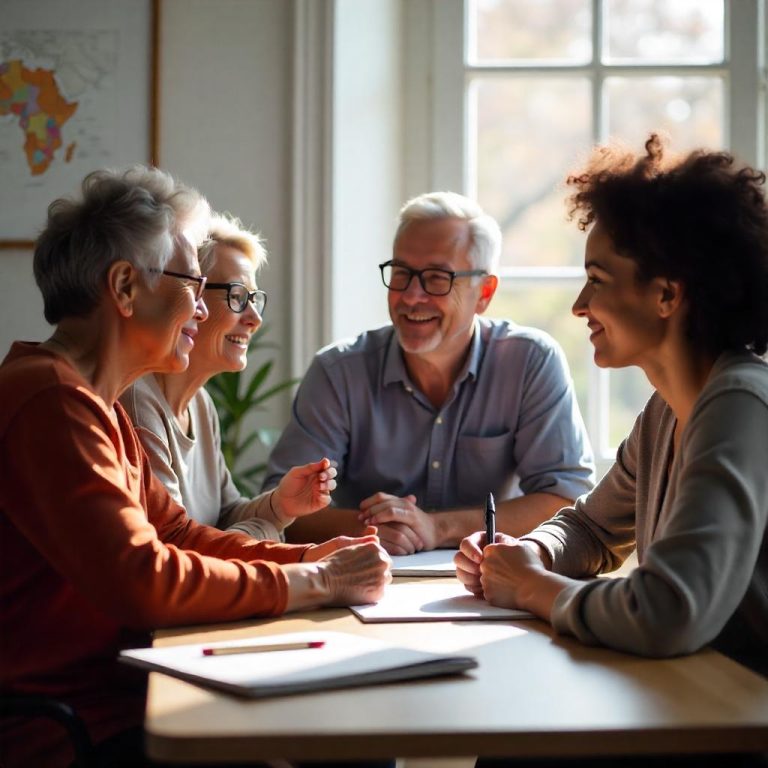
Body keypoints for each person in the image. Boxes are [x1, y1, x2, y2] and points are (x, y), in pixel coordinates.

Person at [0, 167, 390, 768]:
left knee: (354, 744)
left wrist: (310, 557)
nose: (206, 311)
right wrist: (318, 582)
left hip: (125, 699)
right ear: (125, 288)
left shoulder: (93, 403)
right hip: (79, 728)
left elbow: (179, 534)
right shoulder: (52, 401)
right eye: (192, 282)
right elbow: (143, 578)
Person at [456, 134, 768, 695]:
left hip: (735, 725)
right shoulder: (666, 410)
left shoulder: (740, 403)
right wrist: (528, 551)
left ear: (667, 295)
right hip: (691, 702)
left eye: (597, 281)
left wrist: (530, 587)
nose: (579, 304)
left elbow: (667, 611)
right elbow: (592, 527)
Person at [263, 191, 595, 555]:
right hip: (366, 581)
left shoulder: (530, 361)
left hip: (495, 582)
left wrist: (436, 528)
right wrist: (375, 529)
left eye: (437, 278)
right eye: (402, 273)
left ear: (484, 292)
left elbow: (567, 501)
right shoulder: (338, 372)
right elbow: (280, 508)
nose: (411, 296)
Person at [121, 213, 334, 541]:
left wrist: (281, 506)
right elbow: (179, 550)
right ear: (191, 295)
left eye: (254, 299)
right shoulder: (137, 403)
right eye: (237, 297)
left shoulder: (200, 403)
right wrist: (265, 528)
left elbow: (226, 513)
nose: (255, 319)